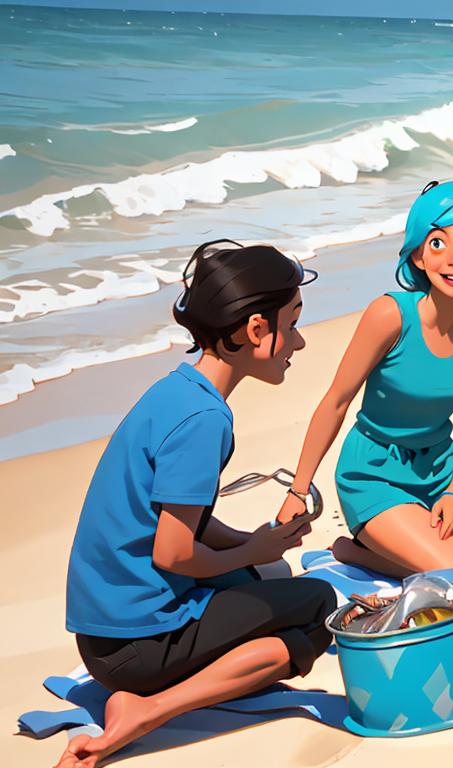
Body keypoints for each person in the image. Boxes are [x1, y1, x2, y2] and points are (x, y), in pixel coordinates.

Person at [57, 241, 335, 768]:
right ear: (256, 330)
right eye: (291, 324)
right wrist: (241, 555)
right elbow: (174, 554)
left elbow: (181, 520)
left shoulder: (177, 391)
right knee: (318, 606)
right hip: (136, 647)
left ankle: (160, 686)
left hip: (105, 632)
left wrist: (254, 546)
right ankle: (151, 708)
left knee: (271, 572)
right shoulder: (206, 423)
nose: (297, 341)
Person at [279, 181, 453, 576]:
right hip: (373, 475)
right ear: (418, 254)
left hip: (445, 468)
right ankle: (365, 550)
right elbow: (337, 400)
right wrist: (298, 490)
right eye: (438, 243)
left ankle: (374, 554)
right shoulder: (390, 315)